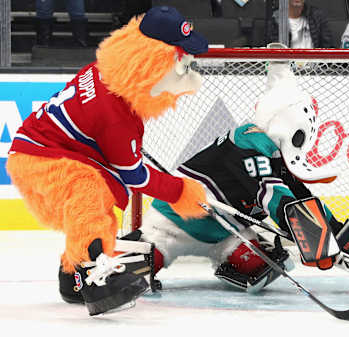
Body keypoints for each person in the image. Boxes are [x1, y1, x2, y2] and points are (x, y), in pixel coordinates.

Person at [118, 53, 349, 293]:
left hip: (226, 232)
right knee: (136, 266)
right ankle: (105, 262)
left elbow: (299, 198)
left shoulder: (276, 152)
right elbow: (273, 193)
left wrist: (338, 232)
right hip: (176, 223)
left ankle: (226, 260)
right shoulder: (248, 141)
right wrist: (311, 238)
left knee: (269, 264)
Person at [7, 6, 210, 316]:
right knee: (88, 194)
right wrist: (180, 192)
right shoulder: (116, 116)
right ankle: (92, 277)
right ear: (152, 61)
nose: (187, 67)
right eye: (181, 62)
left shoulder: (105, 72)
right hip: (39, 157)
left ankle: (72, 277)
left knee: (102, 207)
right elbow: (137, 178)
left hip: (48, 150)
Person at [267, 0, 334, 48]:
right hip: (285, 66)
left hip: (313, 66)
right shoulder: (274, 20)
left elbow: (327, 47)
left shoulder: (317, 16)